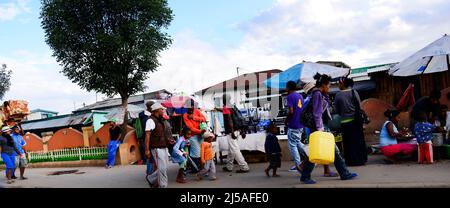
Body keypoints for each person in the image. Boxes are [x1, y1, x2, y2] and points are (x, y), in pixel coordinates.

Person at [300, 73, 358, 184]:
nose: (329, 87)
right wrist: (320, 129)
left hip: (320, 126)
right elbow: (317, 113)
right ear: (323, 84)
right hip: (319, 127)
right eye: (328, 85)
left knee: (331, 150)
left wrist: (325, 96)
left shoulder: (319, 94)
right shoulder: (317, 93)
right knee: (316, 152)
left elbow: (324, 109)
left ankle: (344, 173)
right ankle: (306, 176)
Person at [334, 77, 367, 166]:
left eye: (339, 83)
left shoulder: (338, 95)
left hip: (345, 122)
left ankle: (351, 161)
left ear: (343, 84)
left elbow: (336, 110)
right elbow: (359, 107)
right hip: (356, 121)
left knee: (348, 143)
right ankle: (361, 160)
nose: (338, 85)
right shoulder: (354, 92)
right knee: (358, 141)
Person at [218, 94, 250, 173]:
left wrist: (231, 132)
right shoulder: (233, 106)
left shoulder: (226, 107)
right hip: (237, 130)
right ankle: (229, 166)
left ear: (224, 100)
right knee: (231, 149)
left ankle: (244, 167)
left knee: (235, 149)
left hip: (231, 131)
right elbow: (239, 117)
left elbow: (229, 119)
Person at [145, 103, 172, 188]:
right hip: (156, 148)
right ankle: (163, 185)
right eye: (162, 109)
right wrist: (147, 150)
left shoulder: (160, 120)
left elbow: (161, 134)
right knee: (162, 168)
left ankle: (151, 178)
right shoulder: (150, 120)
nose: (163, 111)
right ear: (157, 110)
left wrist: (168, 140)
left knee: (163, 168)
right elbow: (147, 135)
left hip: (163, 146)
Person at [285, 81, 307, 173]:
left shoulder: (290, 96)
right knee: (297, 142)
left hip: (293, 124)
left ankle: (298, 166)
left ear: (289, 88)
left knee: (292, 145)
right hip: (300, 123)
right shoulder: (300, 96)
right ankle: (309, 155)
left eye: (286, 87)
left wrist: (286, 120)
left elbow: (291, 111)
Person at [183, 99, 206, 173]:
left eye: (191, 107)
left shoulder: (197, 111)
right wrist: (200, 131)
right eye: (188, 107)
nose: (190, 109)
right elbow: (191, 128)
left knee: (201, 151)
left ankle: (199, 168)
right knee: (196, 152)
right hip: (193, 136)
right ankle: (195, 168)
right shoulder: (185, 115)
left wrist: (194, 118)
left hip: (201, 135)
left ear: (193, 106)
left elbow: (204, 119)